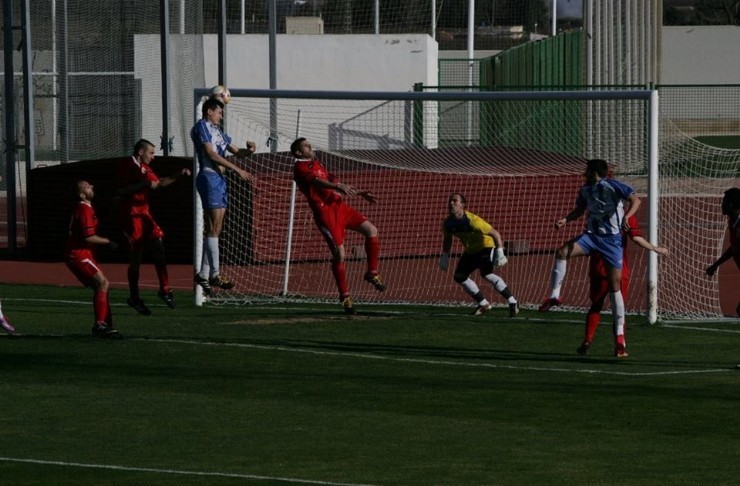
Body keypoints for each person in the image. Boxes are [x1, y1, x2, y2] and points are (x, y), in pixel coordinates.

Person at [538, 159, 641, 357]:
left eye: (586, 170)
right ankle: (555, 295)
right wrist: (565, 219)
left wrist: (627, 217)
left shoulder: (613, 185)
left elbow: (636, 199)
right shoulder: (585, 189)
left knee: (614, 288)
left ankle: (620, 338)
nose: (583, 172)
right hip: (591, 237)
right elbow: (580, 210)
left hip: (612, 241)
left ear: (594, 171)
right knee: (561, 252)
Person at [291, 137, 386, 315]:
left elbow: (336, 185)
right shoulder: (300, 167)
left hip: (340, 208)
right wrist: (337, 185)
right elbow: (317, 182)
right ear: (298, 152)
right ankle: (345, 297)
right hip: (326, 215)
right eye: (305, 145)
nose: (310, 146)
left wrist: (359, 193)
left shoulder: (317, 164)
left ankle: (372, 273)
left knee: (372, 230)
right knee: (339, 254)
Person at [117, 139, 191, 315]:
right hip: (130, 215)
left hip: (144, 214)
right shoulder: (128, 165)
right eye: (151, 153)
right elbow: (121, 190)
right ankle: (134, 297)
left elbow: (158, 183)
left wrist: (177, 174)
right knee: (136, 254)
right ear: (141, 152)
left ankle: (165, 289)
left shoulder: (145, 169)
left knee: (158, 243)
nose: (153, 157)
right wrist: (143, 184)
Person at [578, 213, 669, 357]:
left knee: (596, 306)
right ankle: (619, 346)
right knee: (618, 309)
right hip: (619, 270)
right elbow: (636, 237)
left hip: (598, 268)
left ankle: (587, 341)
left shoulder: (595, 214)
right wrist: (655, 248)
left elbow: (586, 240)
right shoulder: (626, 216)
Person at [191, 97, 256, 295]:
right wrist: (237, 170)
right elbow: (211, 154)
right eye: (219, 112)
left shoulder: (218, 131)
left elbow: (237, 152)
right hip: (209, 177)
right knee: (213, 226)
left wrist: (250, 150)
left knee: (215, 228)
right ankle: (215, 274)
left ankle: (203, 273)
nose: (221, 115)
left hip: (220, 180)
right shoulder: (201, 126)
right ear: (209, 111)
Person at [439, 193, 519, 317]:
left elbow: (496, 234)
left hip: (486, 246)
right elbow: (448, 239)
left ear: (462, 205)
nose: (451, 203)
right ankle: (483, 304)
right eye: (450, 201)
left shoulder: (473, 221)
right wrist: (444, 255)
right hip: (471, 250)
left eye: (455, 201)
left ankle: (513, 302)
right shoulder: (448, 224)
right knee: (459, 276)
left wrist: (500, 252)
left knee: (486, 274)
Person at [65, 180, 122, 339]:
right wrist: (108, 242)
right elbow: (88, 237)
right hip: (79, 255)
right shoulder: (84, 210)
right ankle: (100, 325)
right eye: (87, 186)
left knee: (101, 286)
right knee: (103, 283)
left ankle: (106, 324)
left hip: (83, 254)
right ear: (82, 194)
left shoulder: (87, 208)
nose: (92, 187)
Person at [706, 187, 740, 317]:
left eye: (724, 202)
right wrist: (716, 264)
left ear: (732, 205)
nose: (722, 205)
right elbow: (734, 248)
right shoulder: (733, 221)